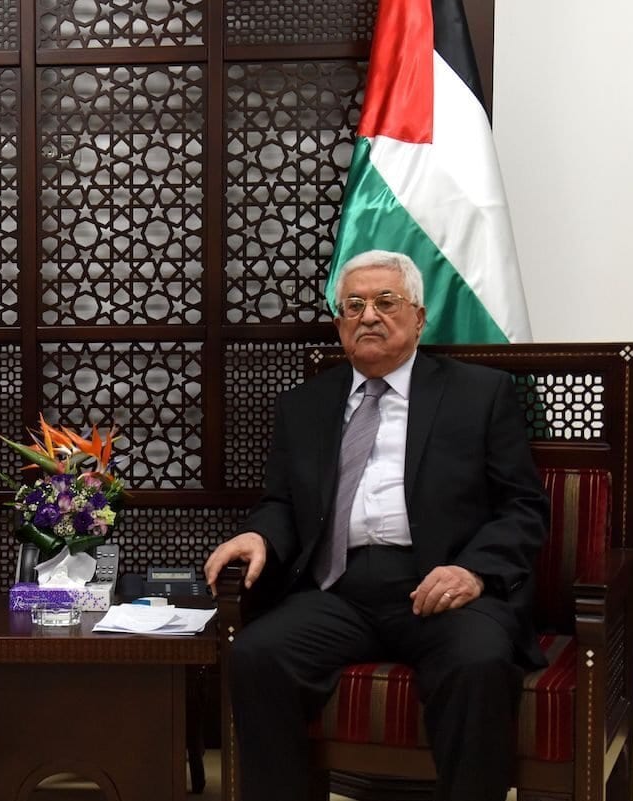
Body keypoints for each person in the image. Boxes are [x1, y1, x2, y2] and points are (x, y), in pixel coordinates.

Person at [203, 250, 549, 801]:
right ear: (340, 322)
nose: (369, 315)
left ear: (419, 317)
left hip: (442, 586)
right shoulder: (305, 405)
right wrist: (260, 535)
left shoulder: (478, 395)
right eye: (354, 305)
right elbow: (282, 503)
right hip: (341, 590)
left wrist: (473, 573)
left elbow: (523, 506)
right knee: (257, 653)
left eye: (386, 302)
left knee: (478, 661)